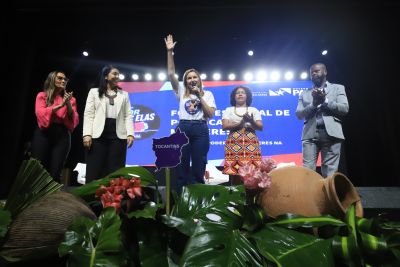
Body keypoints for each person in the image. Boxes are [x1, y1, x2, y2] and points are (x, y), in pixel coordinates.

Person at [164, 34, 216, 193]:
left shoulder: (207, 94)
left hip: (200, 130)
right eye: (189, 78)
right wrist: (169, 52)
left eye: (195, 77)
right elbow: (171, 73)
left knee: (199, 167)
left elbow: (210, 114)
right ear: (185, 81)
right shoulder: (180, 91)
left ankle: (197, 204)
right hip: (183, 128)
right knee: (181, 167)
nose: (192, 79)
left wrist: (200, 96)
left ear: (199, 80)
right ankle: (180, 203)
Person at [296, 63, 349, 178]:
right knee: (307, 172)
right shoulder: (304, 93)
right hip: (310, 135)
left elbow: (344, 109)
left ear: (325, 72)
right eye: (312, 73)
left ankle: (328, 196)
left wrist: (325, 101)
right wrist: (313, 104)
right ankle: (310, 196)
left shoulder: (338, 88)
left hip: (332, 134)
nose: (314, 74)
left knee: (330, 172)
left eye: (317, 71)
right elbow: (299, 114)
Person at [82, 65, 135, 183]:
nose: (118, 76)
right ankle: (90, 200)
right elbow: (88, 114)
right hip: (98, 135)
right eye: (115, 73)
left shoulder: (124, 94)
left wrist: (130, 134)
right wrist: (87, 134)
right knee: (95, 169)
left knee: (115, 171)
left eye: (118, 74)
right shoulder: (94, 92)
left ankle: (114, 200)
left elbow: (128, 115)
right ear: (106, 76)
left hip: (117, 136)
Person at [31, 70, 79, 182]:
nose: (63, 80)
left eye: (65, 79)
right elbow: (41, 114)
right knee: (38, 168)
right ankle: (36, 198)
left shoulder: (71, 99)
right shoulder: (42, 96)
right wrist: (60, 105)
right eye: (60, 78)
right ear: (52, 79)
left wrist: (68, 105)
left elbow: (74, 119)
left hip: (62, 135)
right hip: (43, 133)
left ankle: (52, 198)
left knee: (56, 171)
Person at [222, 86, 263, 184]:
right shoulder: (228, 110)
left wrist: (251, 121)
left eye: (243, 92)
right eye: (238, 93)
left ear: (247, 96)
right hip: (233, 144)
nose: (240, 94)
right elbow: (224, 126)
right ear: (234, 96)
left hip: (251, 144)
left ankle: (251, 197)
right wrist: (240, 124)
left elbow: (260, 127)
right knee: (234, 174)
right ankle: (234, 195)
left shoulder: (254, 110)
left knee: (252, 174)